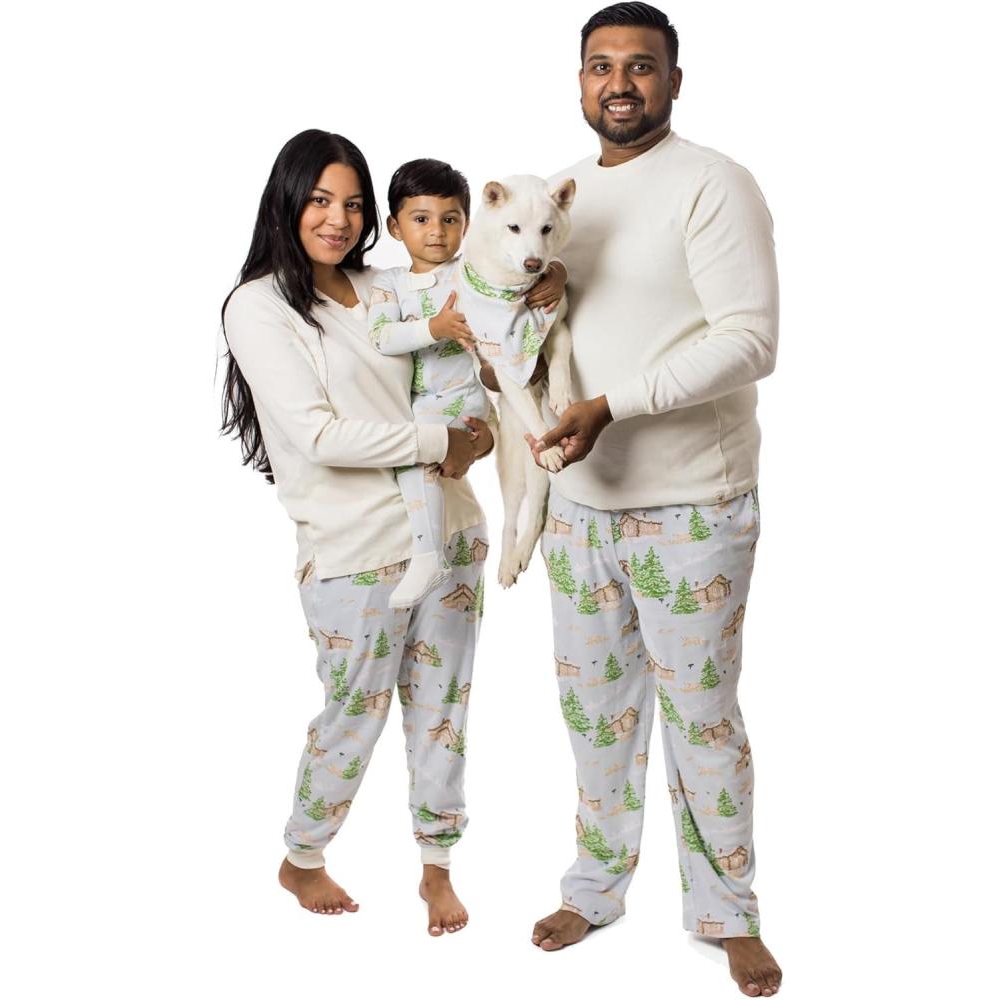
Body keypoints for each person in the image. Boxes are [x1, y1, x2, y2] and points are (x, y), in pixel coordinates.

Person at [525, 6, 783, 996]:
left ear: (674, 81)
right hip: (578, 504)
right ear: (579, 82)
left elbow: (749, 339)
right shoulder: (559, 195)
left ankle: (728, 911)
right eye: (600, 65)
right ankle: (594, 888)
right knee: (594, 712)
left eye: (640, 66)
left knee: (700, 715)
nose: (619, 82)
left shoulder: (712, 183)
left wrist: (611, 406)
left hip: (691, 504)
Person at [220, 130, 494, 936]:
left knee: (444, 712)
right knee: (354, 714)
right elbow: (317, 436)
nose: (337, 219)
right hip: (354, 554)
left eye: (351, 204)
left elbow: (470, 327)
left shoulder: (385, 288)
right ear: (287, 201)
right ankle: (303, 855)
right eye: (319, 200)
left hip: (449, 531)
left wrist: (478, 430)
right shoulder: (260, 306)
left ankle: (437, 866)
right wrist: (442, 442)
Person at [367, 158, 566, 608]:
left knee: (428, 459)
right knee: (416, 463)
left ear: (468, 224)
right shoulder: (389, 285)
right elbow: (380, 337)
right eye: (421, 219)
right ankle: (430, 550)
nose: (437, 231)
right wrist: (433, 328)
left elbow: (522, 277)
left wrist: (557, 272)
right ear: (395, 227)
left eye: (450, 219)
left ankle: (431, 556)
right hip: (424, 404)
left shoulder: (472, 271)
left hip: (471, 400)